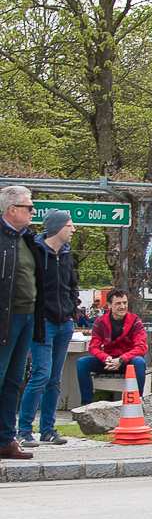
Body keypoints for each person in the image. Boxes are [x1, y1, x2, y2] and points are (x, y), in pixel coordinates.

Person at [17, 209, 79, 447]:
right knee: (40, 374)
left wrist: (72, 308)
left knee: (55, 378)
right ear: (57, 228)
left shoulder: (66, 254)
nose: (73, 229)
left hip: (64, 322)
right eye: (69, 225)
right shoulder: (36, 251)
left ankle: (48, 429)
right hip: (43, 322)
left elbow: (71, 284)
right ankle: (24, 429)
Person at [0, 185, 42, 461]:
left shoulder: (28, 239)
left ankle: (6, 439)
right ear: (12, 209)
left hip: (28, 315)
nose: (32, 211)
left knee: (15, 380)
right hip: (6, 317)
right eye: (28, 207)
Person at [76, 290, 148, 405]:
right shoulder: (100, 322)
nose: (123, 306)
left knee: (139, 362)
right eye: (118, 303)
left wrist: (121, 359)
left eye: (125, 303)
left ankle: (137, 403)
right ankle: (86, 404)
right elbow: (93, 347)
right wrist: (106, 358)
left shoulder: (135, 321)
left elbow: (141, 347)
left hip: (127, 361)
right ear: (109, 305)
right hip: (109, 361)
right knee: (82, 363)